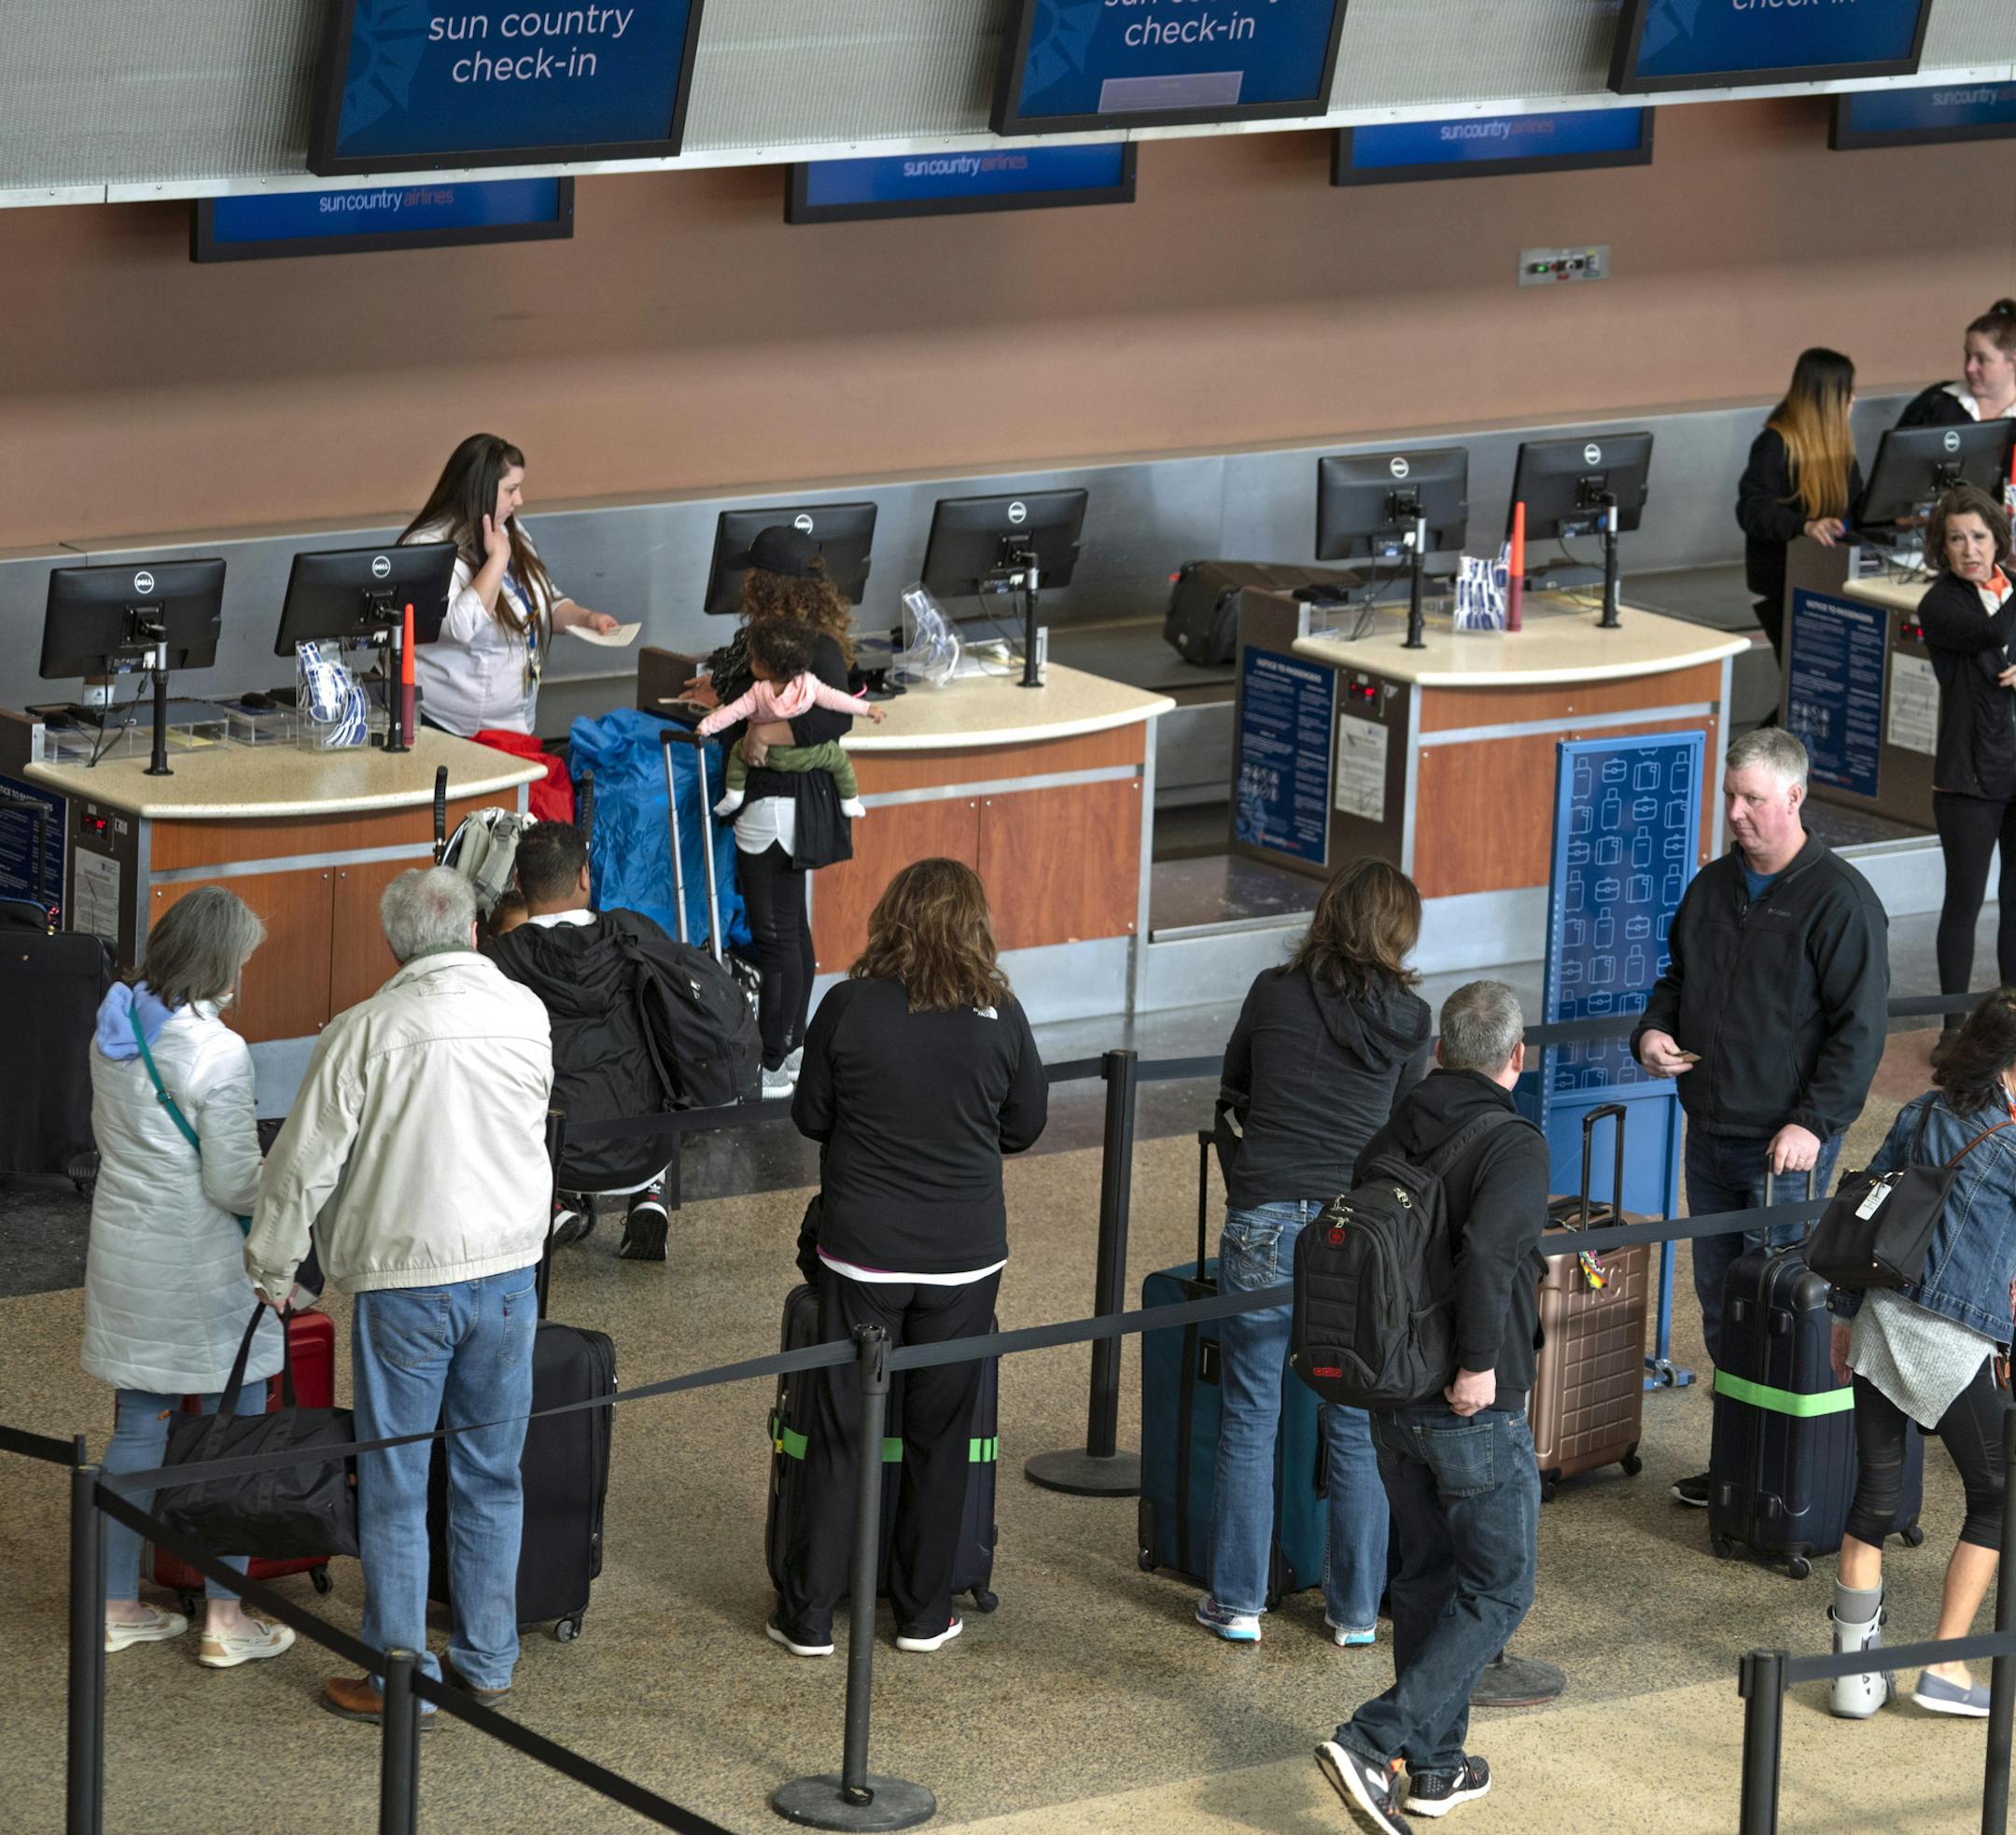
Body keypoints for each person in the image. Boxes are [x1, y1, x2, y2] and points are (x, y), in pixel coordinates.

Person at [245, 867, 553, 1724]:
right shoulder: (525, 1014)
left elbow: (302, 1164)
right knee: (492, 1474)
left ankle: (396, 1679)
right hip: (506, 1278)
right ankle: (489, 1662)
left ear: (395, 946)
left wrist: (274, 1268)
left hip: (406, 1285)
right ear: (475, 931)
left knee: (396, 1482)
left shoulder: (363, 1031)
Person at [771, 858, 1047, 1660]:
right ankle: (923, 1613)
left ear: (890, 919)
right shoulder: (1001, 1011)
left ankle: (811, 1615)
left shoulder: (850, 1005)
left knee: (839, 1430)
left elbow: (811, 1114)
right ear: (975, 927)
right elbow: (1024, 1125)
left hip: (862, 1254)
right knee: (941, 1435)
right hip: (964, 1259)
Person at [1314, 981, 1550, 1835]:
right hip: (1466, 1403)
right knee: (1499, 1589)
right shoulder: (1514, 1143)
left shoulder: (1398, 1124)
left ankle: (1437, 1770)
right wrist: (1480, 1367)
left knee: (1424, 1578)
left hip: (1389, 1391)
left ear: (1441, 1051)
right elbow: (1490, 1252)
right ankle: (1373, 1741)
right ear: (1515, 1058)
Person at [1632, 728, 1890, 1508]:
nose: (1736, 813)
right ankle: (1741, 1462)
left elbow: (1860, 1030)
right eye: (1730, 797)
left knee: (1789, 1312)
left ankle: (1795, 1474)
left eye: (1751, 799)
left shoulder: (1840, 902)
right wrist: (1650, 1031)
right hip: (1710, 1133)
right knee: (1723, 1310)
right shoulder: (1712, 888)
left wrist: (1813, 1122)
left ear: (1794, 799)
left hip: (1785, 1149)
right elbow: (1677, 978)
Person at [1197, 858, 1432, 1649]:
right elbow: (1407, 1136)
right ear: (1399, 931)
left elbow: (1234, 1090)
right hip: (1353, 1237)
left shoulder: (1273, 991)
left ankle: (1236, 1605)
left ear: (1327, 913)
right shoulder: (1410, 1018)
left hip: (1263, 1217)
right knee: (1355, 1421)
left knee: (1248, 1415)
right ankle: (1357, 1612)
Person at [82, 887, 297, 1670]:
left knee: (137, 1430)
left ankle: (115, 1607)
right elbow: (234, 1184)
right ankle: (224, 1619)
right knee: (232, 1437)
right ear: (219, 961)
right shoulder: (217, 1050)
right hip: (204, 1270)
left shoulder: (116, 1025)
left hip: (127, 1253)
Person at [1825, 990, 2016, 1721]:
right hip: (1952, 1338)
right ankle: (1944, 1666)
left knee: (1874, 1499)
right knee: (1997, 1498)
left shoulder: (1919, 1115)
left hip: (1881, 1320)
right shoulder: (2009, 1146)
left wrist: (1844, 1319)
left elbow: (1860, 1211)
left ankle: (1855, 1676)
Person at [682, 525, 859, 1099]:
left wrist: (767, 731)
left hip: (779, 808)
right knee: (791, 931)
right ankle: (794, 1047)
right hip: (785, 808)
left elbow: (835, 718)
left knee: (776, 935)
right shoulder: (785, 637)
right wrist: (722, 695)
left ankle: (774, 1059)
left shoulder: (812, 646)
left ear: (766, 584)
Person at [484, 822, 678, 1262]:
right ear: (585, 876)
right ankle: (650, 1195)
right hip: (643, 1144)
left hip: (553, 1155)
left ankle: (549, 1204)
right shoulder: (636, 935)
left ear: (518, 883)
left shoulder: (498, 961)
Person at [399, 434, 621, 738]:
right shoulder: (427, 545)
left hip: (514, 725)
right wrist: (497, 560)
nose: (519, 500)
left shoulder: (507, 530)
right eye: (511, 490)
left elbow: (543, 601)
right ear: (480, 490)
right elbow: (460, 625)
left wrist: (585, 619)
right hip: (452, 730)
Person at [1915, 486, 2016, 1058]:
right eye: (1956, 538)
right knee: (1964, 902)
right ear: (1942, 548)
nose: (1970, 549)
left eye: (1979, 536)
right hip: (1967, 777)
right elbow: (1992, 635)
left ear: (1997, 540)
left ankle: (2012, 1024)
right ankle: (1953, 1030)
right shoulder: (1941, 605)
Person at [1735, 347, 1864, 667]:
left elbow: (1856, 506)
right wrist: (1804, 526)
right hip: (1784, 584)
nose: (1854, 399)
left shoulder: (1840, 446)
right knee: (1805, 678)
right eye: (1848, 391)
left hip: (1826, 578)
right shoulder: (1775, 444)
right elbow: (1753, 511)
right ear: (1828, 397)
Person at [698, 621, 884, 820]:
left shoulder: (758, 692)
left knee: (737, 753)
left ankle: (734, 796)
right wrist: (867, 709)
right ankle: (850, 802)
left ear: (761, 667)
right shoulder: (809, 684)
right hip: (807, 755)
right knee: (840, 761)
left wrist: (704, 727)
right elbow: (836, 700)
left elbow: (731, 714)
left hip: (768, 757)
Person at [1897, 300, 2016, 430]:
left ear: (2013, 361)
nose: (1969, 368)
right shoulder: (1934, 402)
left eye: (1982, 359)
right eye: (1968, 355)